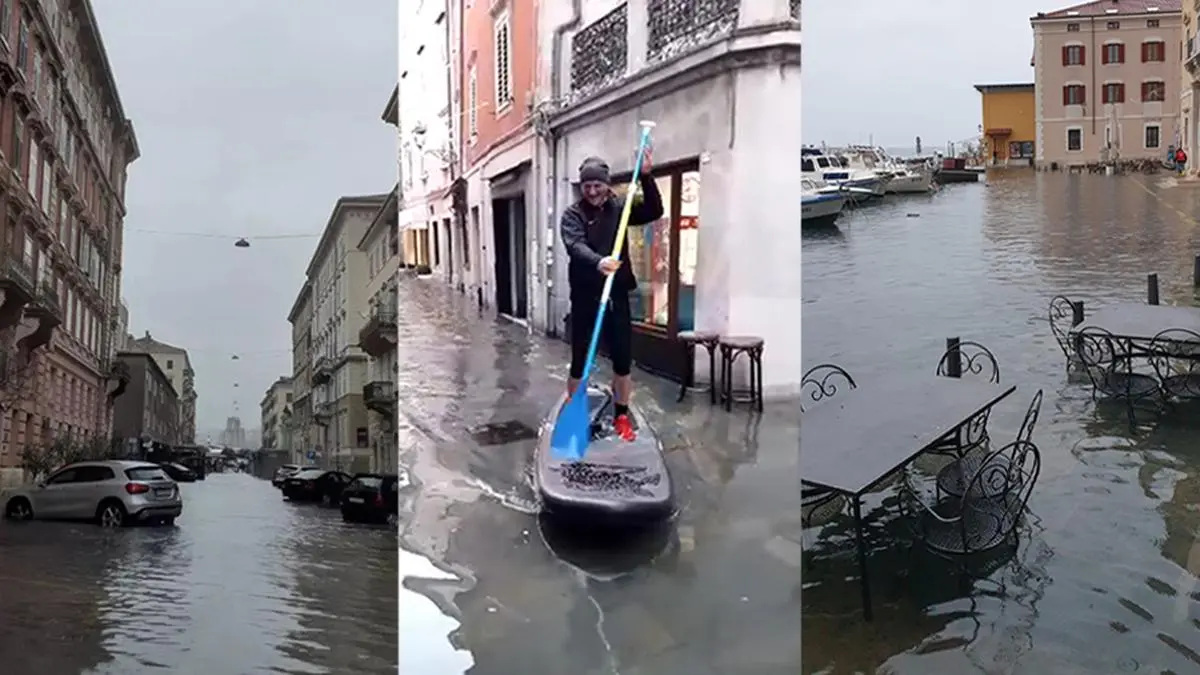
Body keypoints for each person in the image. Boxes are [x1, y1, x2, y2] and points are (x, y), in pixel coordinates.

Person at [559, 151, 663, 441]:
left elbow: (654, 211)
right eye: (587, 186)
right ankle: (575, 413)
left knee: (622, 359)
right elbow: (575, 246)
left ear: (607, 185)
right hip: (586, 295)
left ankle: (621, 416)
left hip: (616, 294)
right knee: (580, 358)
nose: (592, 191)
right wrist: (598, 262)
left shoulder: (620, 207)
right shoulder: (573, 214)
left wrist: (646, 175)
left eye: (598, 185)